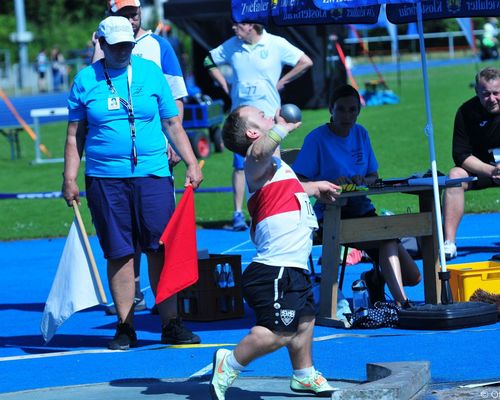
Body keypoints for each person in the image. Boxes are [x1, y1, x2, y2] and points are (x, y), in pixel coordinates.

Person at [62, 16, 203, 350]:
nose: (123, 51)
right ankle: (125, 325)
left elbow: (171, 122)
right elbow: (74, 136)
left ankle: (171, 322)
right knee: (120, 251)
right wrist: (69, 178)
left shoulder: (150, 73)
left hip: (152, 174)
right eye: (117, 46)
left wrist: (192, 161)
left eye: (128, 45)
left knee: (160, 247)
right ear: (103, 44)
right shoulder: (85, 80)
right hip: (105, 178)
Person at [209, 105, 340, 399]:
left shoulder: (278, 170)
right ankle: (229, 363)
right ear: (254, 133)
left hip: (291, 266)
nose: (270, 116)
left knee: (305, 320)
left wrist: (316, 187)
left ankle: (304, 375)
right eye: (263, 117)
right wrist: (282, 125)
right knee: (280, 332)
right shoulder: (254, 162)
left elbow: (289, 190)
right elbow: (259, 152)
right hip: (274, 270)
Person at [93, 0, 187, 315]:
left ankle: (167, 305)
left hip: (154, 156)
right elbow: (94, 86)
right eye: (122, 13)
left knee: (156, 236)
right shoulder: (101, 44)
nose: (130, 18)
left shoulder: (159, 46)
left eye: (133, 12)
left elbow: (175, 97)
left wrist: (175, 142)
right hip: (113, 166)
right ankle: (131, 295)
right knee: (123, 239)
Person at [292, 84, 421, 307]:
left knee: (414, 276)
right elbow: (297, 182)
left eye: (352, 110)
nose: (347, 115)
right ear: (331, 109)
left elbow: (373, 175)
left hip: (363, 210)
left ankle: (374, 278)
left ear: (359, 111)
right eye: (341, 109)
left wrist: (363, 181)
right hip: (331, 215)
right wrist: (327, 185)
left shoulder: (361, 133)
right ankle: (403, 305)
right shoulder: (317, 139)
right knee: (387, 238)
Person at [205, 22, 313, 231]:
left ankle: (276, 206)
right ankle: (239, 213)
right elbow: (208, 59)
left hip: (269, 115)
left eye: (238, 25)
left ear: (251, 25)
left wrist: (282, 81)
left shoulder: (275, 43)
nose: (234, 28)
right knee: (240, 166)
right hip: (243, 118)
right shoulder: (232, 44)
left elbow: (305, 62)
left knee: (274, 163)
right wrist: (224, 84)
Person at [443, 67, 500, 260]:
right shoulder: (466, 112)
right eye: (485, 94)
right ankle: (449, 243)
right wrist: (491, 170)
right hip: (482, 171)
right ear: (477, 91)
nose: (491, 99)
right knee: (454, 176)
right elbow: (460, 154)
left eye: (496, 93)